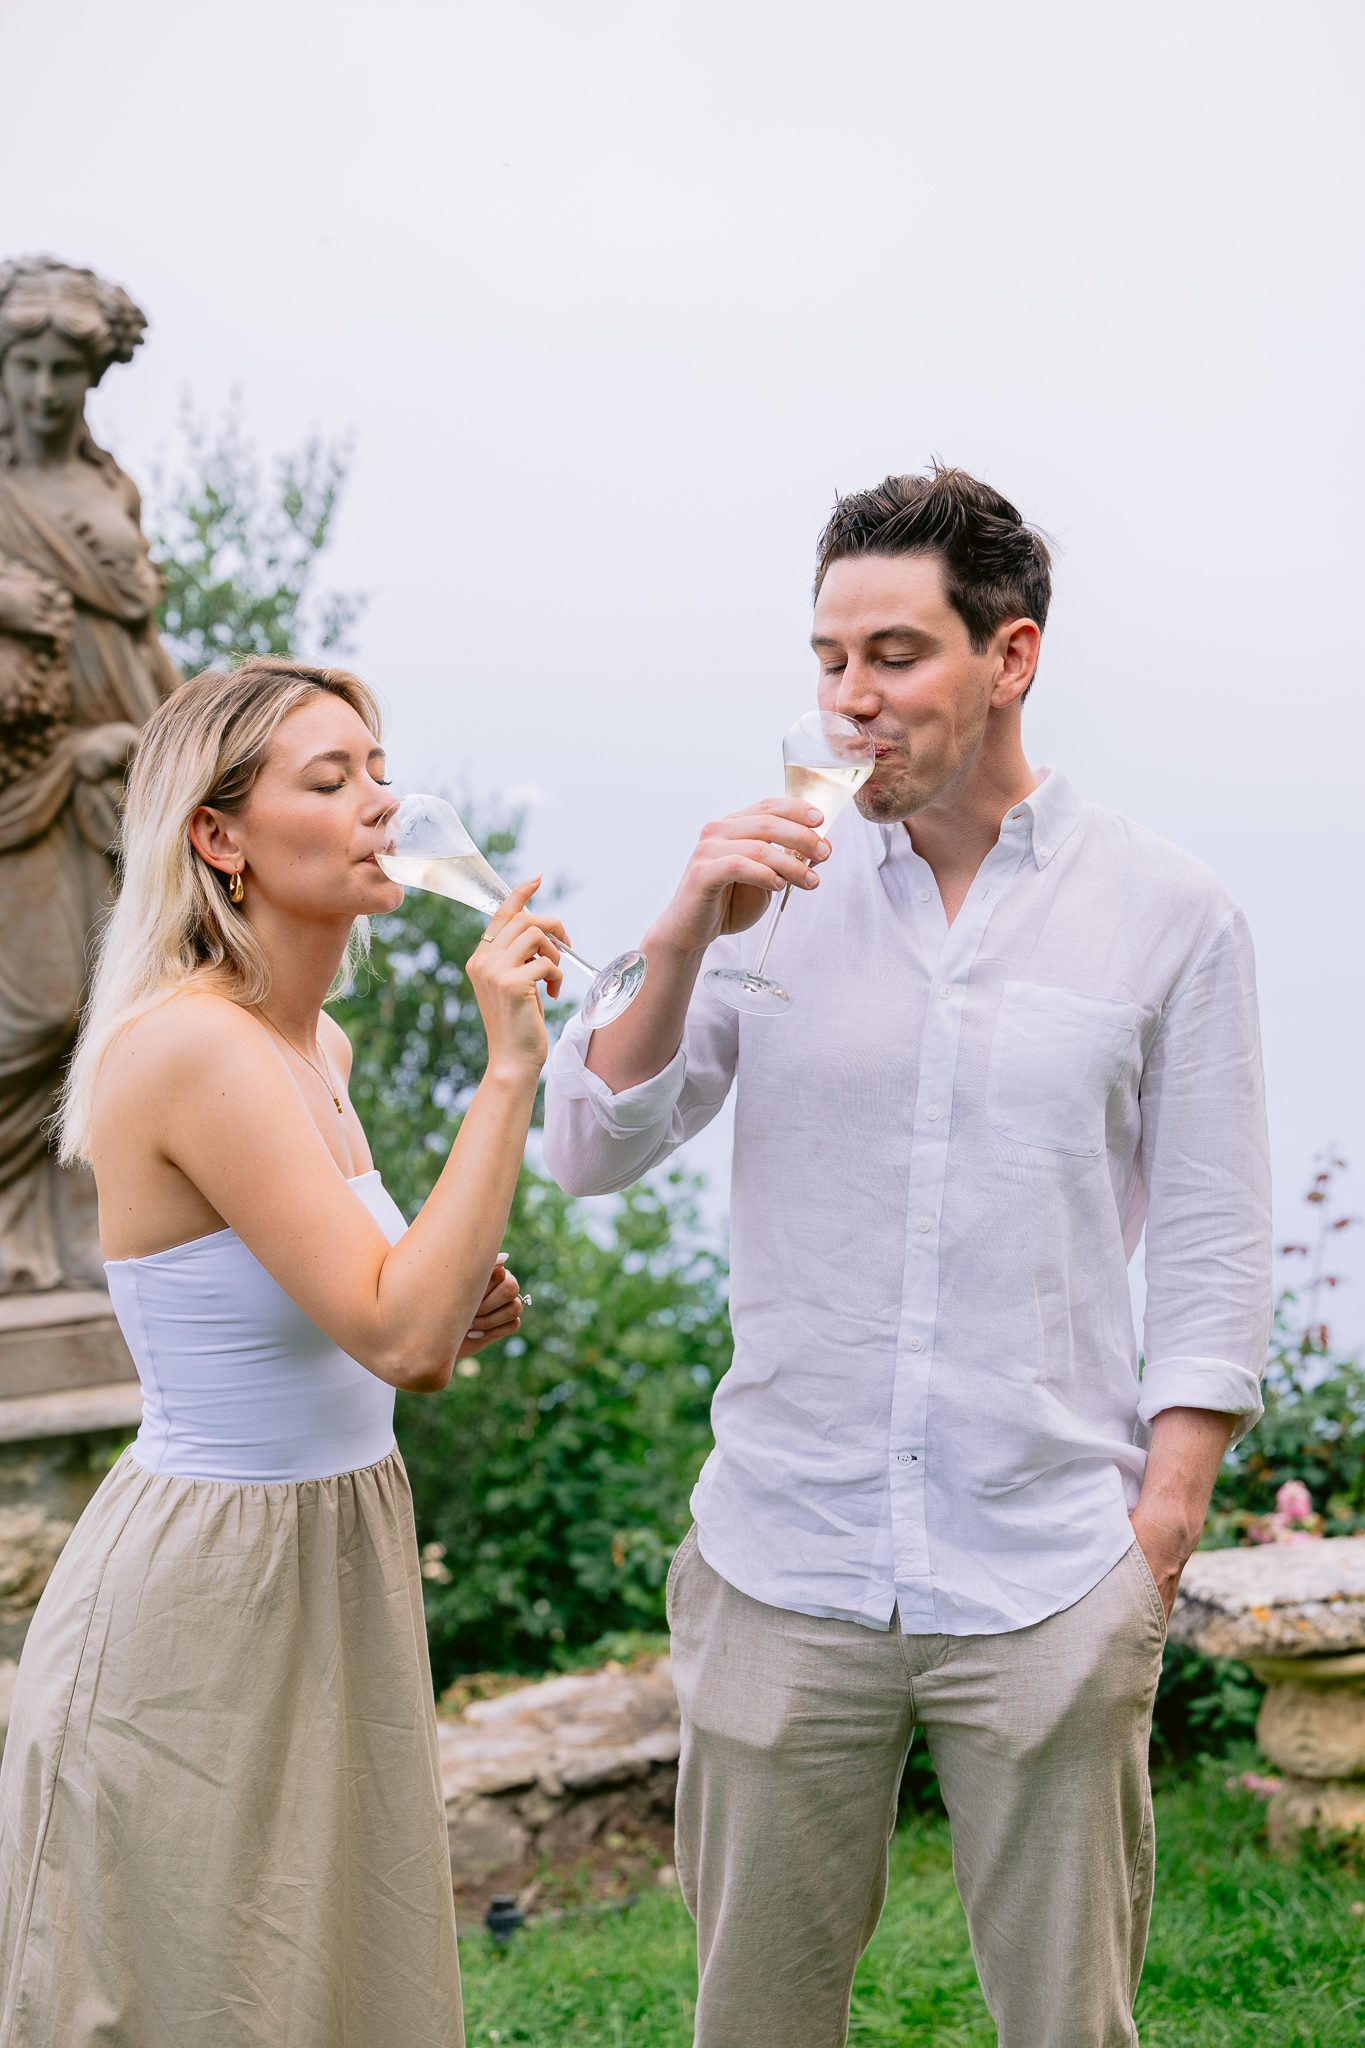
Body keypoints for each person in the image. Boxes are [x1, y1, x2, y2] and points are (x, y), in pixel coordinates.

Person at [543, 466, 1272, 2048]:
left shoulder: (1168, 912)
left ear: (1009, 658)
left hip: (1048, 1571)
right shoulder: (762, 897)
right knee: (753, 2022)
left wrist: (1159, 1524)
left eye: (893, 655)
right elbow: (590, 1146)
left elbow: (1215, 1236)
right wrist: (682, 930)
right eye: (828, 659)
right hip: (780, 1561)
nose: (850, 698)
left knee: (1069, 2026)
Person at [0, 656, 566, 2048]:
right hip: (207, 1597)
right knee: (198, 2002)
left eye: (380, 770)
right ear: (220, 836)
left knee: (325, 1989)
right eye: (331, 779)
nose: (383, 805)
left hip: (330, 1551)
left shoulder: (321, 1051)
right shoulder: (195, 1049)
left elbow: (381, 1313)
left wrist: (451, 1289)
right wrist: (508, 1069)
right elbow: (400, 1339)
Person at [0, 256, 180, 1292]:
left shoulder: (110, 485)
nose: (42, 389)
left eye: (63, 369)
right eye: (26, 365)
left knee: (113, 1009)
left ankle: (76, 1235)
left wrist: (186, 739)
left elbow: (139, 637)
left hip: (124, 776)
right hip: (24, 784)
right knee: (35, 1009)